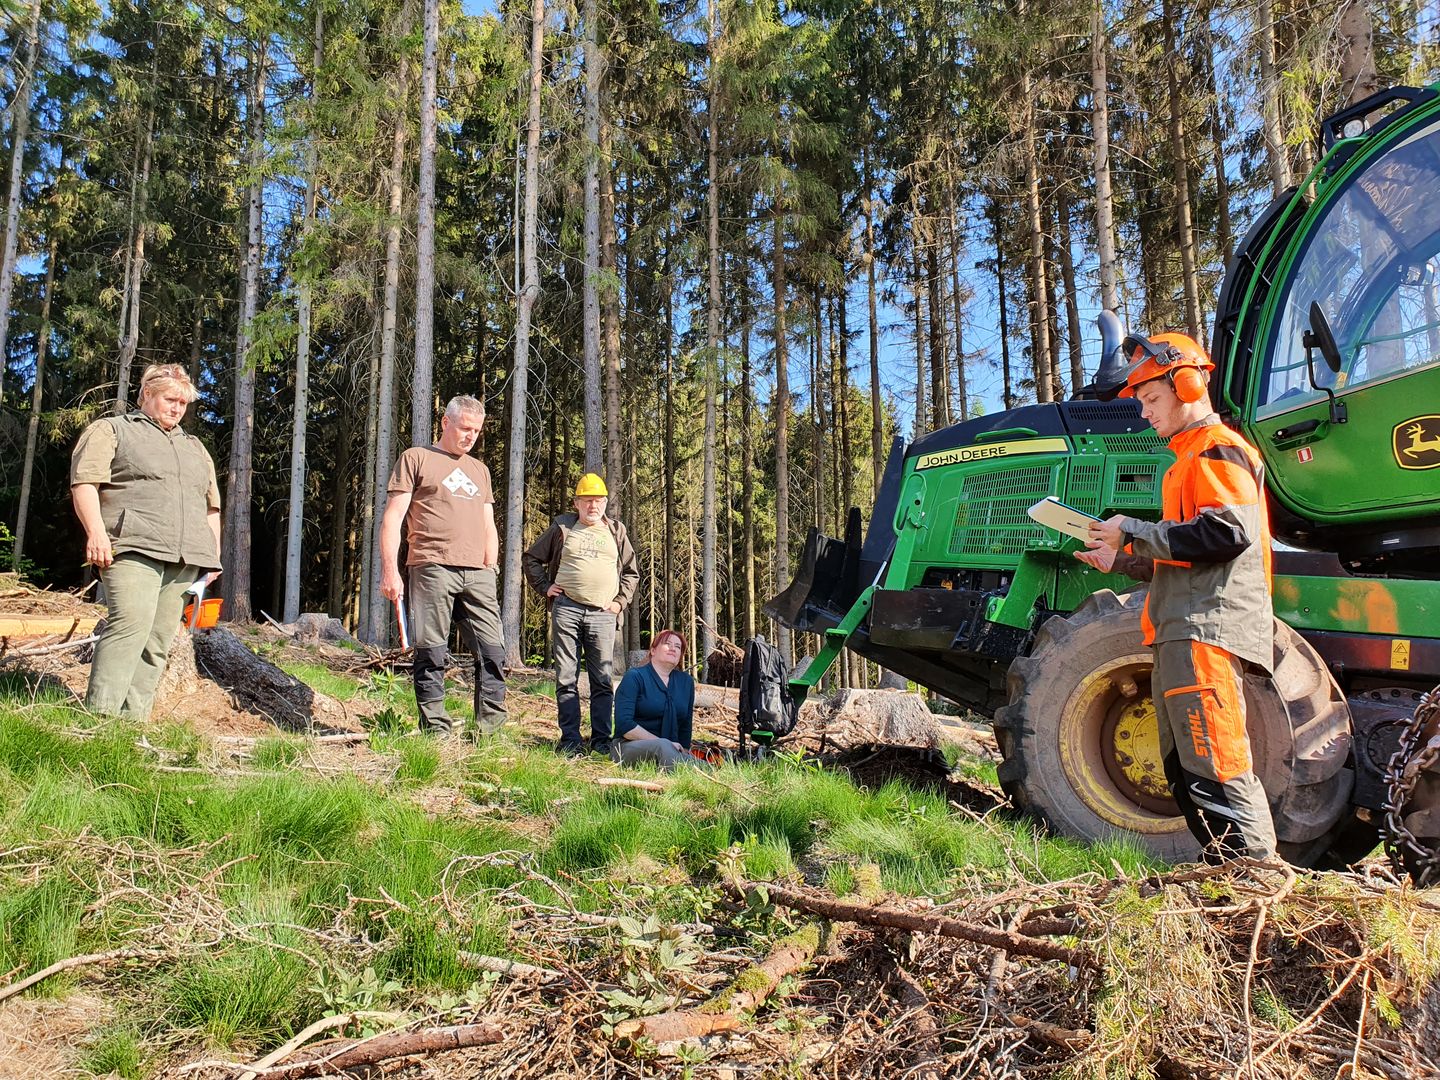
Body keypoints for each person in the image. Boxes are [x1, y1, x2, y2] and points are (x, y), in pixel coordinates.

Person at [1079, 331, 1279, 862]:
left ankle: (1256, 883)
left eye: (1151, 399)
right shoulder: (1185, 460)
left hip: (1204, 630)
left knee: (1218, 764)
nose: (1144, 413)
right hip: (1180, 629)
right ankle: (1226, 882)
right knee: (1188, 773)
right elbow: (1185, 553)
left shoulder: (1218, 448)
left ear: (1187, 384)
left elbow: (1225, 535)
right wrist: (1119, 558)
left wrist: (1135, 529)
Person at [70, 363, 222, 719]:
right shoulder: (111, 430)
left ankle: (132, 722)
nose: (177, 408)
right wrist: (95, 532)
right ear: (147, 394)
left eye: (183, 403)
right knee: (130, 626)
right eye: (170, 399)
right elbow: (85, 484)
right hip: (131, 546)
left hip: (185, 558)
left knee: (158, 641)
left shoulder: (195, 447)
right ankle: (100, 719)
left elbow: (211, 507)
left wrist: (212, 557)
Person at [379, 395, 507, 737]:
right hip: (431, 566)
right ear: (445, 423)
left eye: (476, 431)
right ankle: (436, 730)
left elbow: (488, 523)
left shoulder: (479, 470)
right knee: (432, 650)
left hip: (477, 573)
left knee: (493, 651)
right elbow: (393, 518)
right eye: (465, 428)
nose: (470, 436)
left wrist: (490, 566)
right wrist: (390, 571)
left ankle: (489, 732)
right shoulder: (416, 458)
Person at [521, 473, 639, 755]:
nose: (593, 506)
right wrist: (545, 586)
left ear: (605, 502)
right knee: (566, 677)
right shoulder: (562, 527)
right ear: (576, 502)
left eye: (598, 500)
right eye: (587, 500)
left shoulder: (616, 531)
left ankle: (600, 742)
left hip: (603, 614)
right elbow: (531, 558)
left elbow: (632, 572)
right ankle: (570, 741)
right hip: (568, 610)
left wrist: (619, 603)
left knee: (602, 679)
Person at [612, 629, 700, 770]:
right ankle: (687, 773)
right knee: (663, 747)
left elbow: (685, 726)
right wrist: (662, 742)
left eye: (678, 647)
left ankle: (705, 771)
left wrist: (683, 749)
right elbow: (625, 725)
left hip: (670, 749)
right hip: (627, 746)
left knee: (695, 760)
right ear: (653, 650)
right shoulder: (635, 677)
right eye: (667, 644)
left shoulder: (686, 682)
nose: (673, 648)